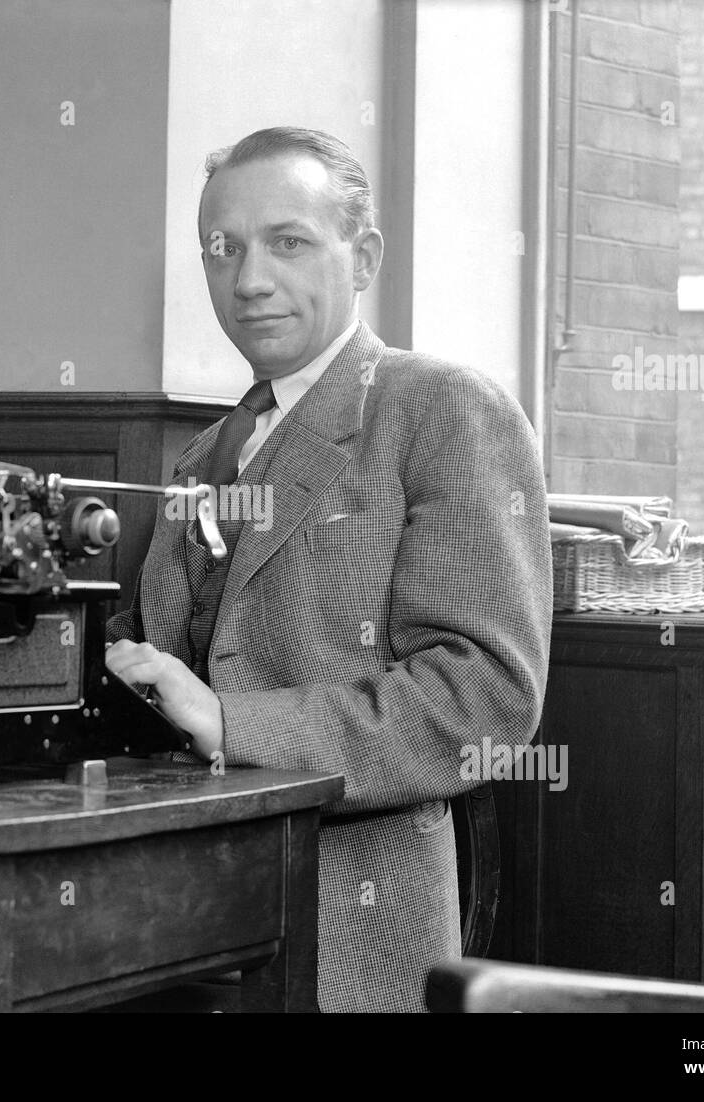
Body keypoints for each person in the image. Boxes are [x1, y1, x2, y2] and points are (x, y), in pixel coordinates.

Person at [105, 126, 552, 1013]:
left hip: (347, 943)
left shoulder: (442, 408)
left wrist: (231, 721)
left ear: (364, 258)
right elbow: (162, 660)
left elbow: (485, 698)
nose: (249, 279)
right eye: (222, 249)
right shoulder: (201, 457)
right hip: (175, 936)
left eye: (289, 242)